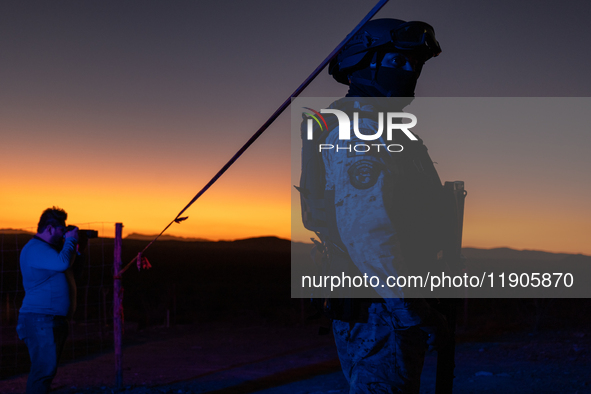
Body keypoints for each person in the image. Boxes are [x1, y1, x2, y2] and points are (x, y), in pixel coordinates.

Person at [300, 19, 449, 393]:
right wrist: (408, 309)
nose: (409, 72)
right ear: (363, 64)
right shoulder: (360, 131)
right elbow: (366, 231)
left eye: (414, 65)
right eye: (398, 63)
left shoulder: (381, 127)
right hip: (379, 307)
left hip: (381, 302)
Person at [16, 207, 78, 394]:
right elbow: (63, 263)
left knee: (45, 371)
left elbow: (65, 263)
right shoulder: (36, 249)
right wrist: (71, 239)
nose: (63, 234)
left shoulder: (46, 250)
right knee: (43, 372)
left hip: (47, 320)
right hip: (41, 320)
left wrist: (74, 246)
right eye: (62, 229)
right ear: (50, 228)